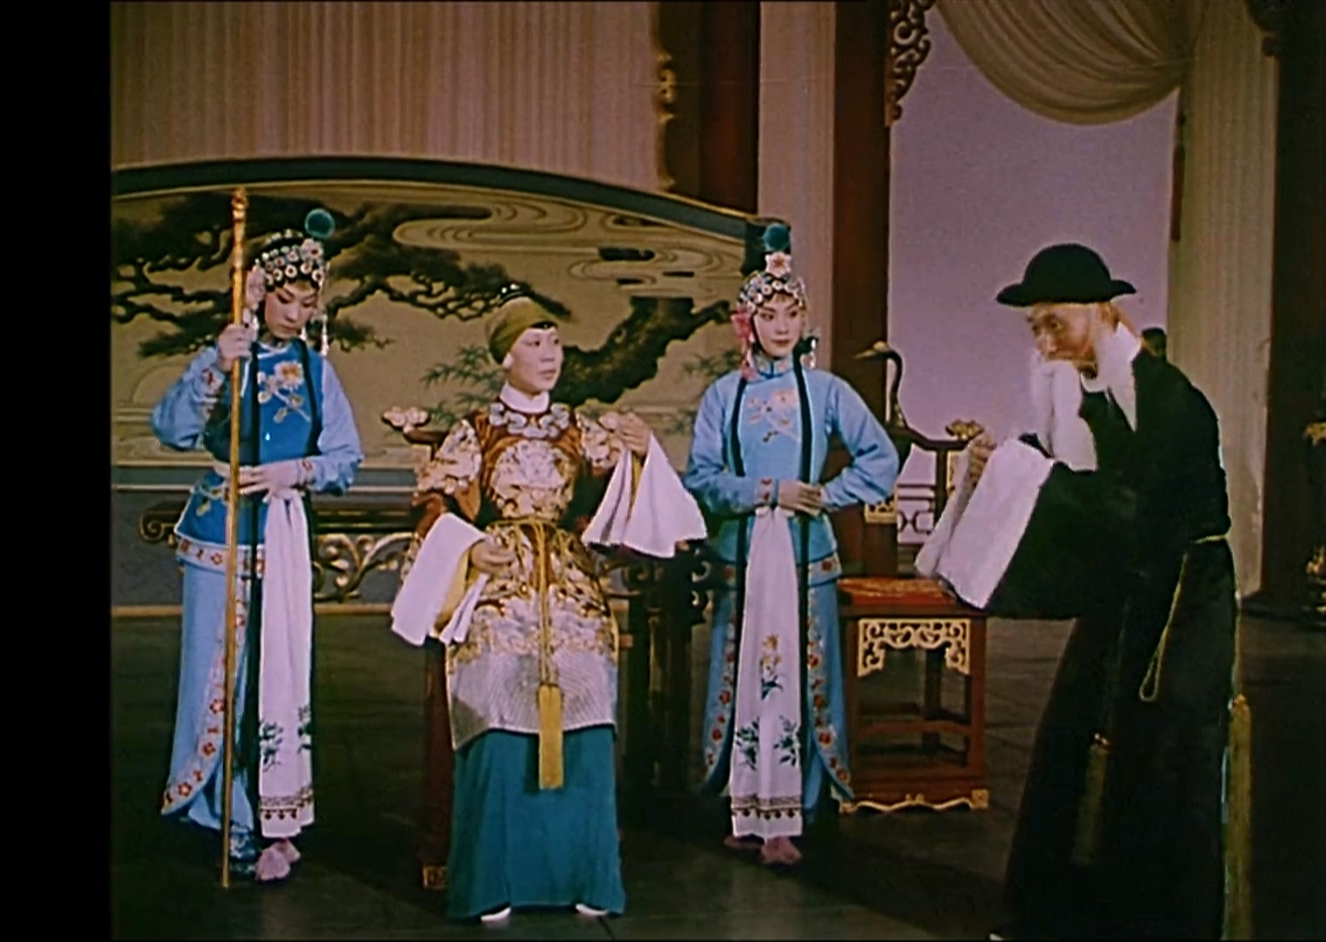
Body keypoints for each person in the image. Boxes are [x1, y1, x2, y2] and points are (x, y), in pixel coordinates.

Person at [917, 243, 1250, 939]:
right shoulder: (1081, 393)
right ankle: (1062, 915)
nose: (1045, 343)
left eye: (1055, 325)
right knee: (1075, 740)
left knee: (1161, 754)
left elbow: (1135, 510)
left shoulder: (1168, 398)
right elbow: (1075, 485)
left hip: (1184, 599)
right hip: (1125, 588)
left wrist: (1028, 477)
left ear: (1101, 312)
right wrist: (999, 464)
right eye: (1034, 328)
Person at [388, 289, 706, 923]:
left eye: (555, 342)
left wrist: (643, 452)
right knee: (495, 706)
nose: (549, 354)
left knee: (586, 708)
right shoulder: (476, 431)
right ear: (505, 356)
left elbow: (622, 495)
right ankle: (492, 881)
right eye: (534, 343)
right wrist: (469, 549)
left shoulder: (579, 429)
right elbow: (434, 501)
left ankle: (584, 876)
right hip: (499, 584)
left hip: (569, 586)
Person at [150, 213, 365, 882]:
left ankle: (267, 814)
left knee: (273, 679)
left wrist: (293, 472)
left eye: (307, 304)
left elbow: (346, 457)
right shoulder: (227, 355)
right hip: (219, 531)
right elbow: (172, 430)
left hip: (281, 532)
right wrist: (217, 363)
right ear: (259, 294)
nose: (295, 314)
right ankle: (222, 813)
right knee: (219, 677)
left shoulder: (315, 371)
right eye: (285, 299)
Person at [683, 223, 900, 867]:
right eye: (768, 314)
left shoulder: (827, 391)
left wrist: (826, 495)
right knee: (743, 675)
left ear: (804, 320)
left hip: (808, 559)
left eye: (791, 314)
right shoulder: (724, 395)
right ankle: (742, 805)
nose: (781, 326)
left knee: (804, 680)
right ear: (747, 323)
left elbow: (880, 458)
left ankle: (796, 810)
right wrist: (768, 491)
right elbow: (701, 477)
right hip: (744, 556)